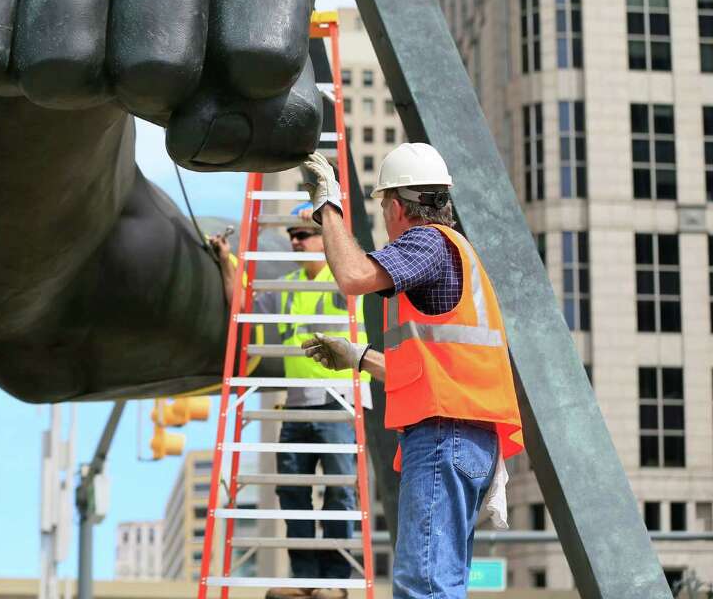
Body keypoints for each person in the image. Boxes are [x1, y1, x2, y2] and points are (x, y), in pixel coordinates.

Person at [299, 143, 523, 599]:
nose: (385, 217)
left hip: (444, 437)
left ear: (398, 206)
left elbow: (353, 276)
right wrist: (358, 357)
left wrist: (328, 205)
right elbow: (427, 372)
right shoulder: (457, 251)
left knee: (423, 586)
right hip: (467, 438)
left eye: (384, 206)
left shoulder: (427, 242)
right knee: (440, 583)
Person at [212, 206, 369, 599]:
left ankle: (334, 581)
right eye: (293, 236)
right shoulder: (288, 285)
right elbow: (242, 312)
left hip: (339, 400)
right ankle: (306, 579)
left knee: (340, 491)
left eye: (304, 234)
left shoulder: (348, 276)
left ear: (324, 238)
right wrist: (226, 263)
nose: (296, 242)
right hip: (297, 402)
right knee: (292, 492)